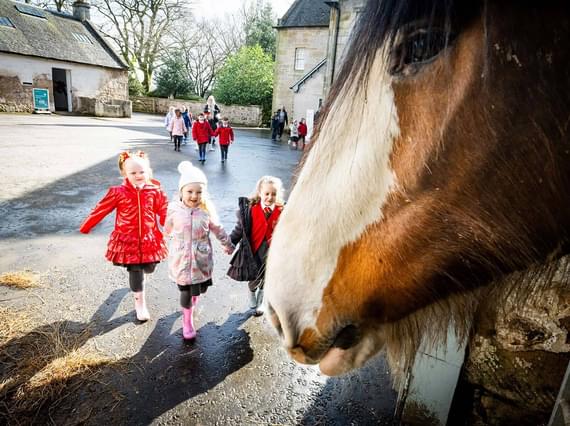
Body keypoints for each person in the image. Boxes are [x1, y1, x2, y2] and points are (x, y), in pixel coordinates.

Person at [79, 151, 168, 322]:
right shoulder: (118, 192)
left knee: (149, 268)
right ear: (125, 174)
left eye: (141, 172)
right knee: (136, 271)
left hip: (149, 239)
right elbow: (101, 209)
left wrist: (170, 224)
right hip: (129, 240)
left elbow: (163, 209)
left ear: (148, 171)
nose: (138, 176)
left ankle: (141, 280)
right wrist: (87, 226)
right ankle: (139, 303)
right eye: (133, 173)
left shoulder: (155, 190)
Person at [165, 161, 234, 340]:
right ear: (181, 192)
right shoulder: (174, 210)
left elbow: (218, 229)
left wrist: (227, 244)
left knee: (198, 290)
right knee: (185, 292)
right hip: (181, 259)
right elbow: (167, 227)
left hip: (201, 260)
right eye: (190, 191)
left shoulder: (206, 212)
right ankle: (187, 320)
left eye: (199, 192)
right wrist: (163, 239)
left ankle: (192, 304)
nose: (194, 196)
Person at [227, 176, 284, 316]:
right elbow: (240, 229)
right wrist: (230, 242)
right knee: (255, 277)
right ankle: (252, 291)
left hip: (272, 251)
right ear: (260, 192)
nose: (270, 197)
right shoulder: (251, 210)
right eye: (267, 193)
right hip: (254, 250)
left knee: (268, 277)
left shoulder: (281, 210)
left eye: (274, 194)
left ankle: (262, 299)